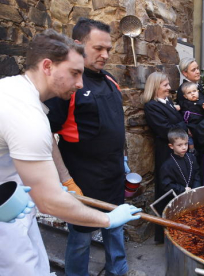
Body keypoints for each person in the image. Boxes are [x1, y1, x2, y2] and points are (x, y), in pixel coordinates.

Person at [0, 29, 141, 276]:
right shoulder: (28, 117)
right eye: (74, 73)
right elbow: (50, 202)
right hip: (78, 178)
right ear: (47, 66)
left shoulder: (12, 89)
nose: (79, 83)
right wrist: (107, 219)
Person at [44, 18, 137, 276]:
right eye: (98, 48)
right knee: (80, 240)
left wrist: (124, 160)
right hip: (83, 181)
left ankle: (117, 271)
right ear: (77, 45)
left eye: (108, 49)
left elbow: (116, 127)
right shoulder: (67, 85)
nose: (105, 55)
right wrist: (65, 180)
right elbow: (45, 133)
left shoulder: (110, 80)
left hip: (113, 175)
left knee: (115, 229)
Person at [143, 71, 187, 243]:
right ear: (156, 87)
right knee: (167, 190)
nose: (169, 88)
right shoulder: (151, 106)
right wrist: (182, 124)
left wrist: (178, 124)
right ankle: (163, 235)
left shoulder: (168, 101)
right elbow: (167, 130)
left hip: (176, 150)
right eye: (166, 85)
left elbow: (175, 124)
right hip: (166, 152)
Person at [160, 128, 201, 196]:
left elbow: (197, 174)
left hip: (194, 193)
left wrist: (195, 188)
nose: (184, 147)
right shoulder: (167, 165)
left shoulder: (192, 157)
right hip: (178, 196)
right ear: (171, 146)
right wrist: (183, 190)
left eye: (186, 144)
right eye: (180, 145)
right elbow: (166, 185)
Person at [179, 81, 204, 152]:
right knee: (188, 137)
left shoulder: (202, 103)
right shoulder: (184, 103)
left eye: (194, 91)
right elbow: (179, 109)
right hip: (188, 126)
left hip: (199, 125)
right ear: (185, 96)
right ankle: (191, 149)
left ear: (198, 92)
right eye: (189, 93)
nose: (192, 94)